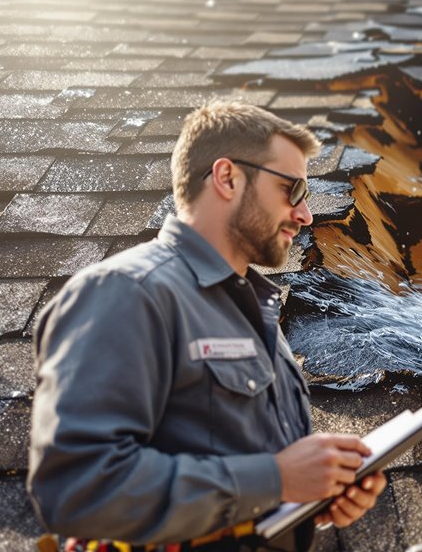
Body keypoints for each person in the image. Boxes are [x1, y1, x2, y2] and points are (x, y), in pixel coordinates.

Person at [29, 102, 386, 551]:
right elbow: (78, 489)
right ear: (227, 177)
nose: (306, 214)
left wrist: (315, 493)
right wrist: (275, 478)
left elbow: (248, 491)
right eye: (292, 190)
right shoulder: (126, 293)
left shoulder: (254, 310)